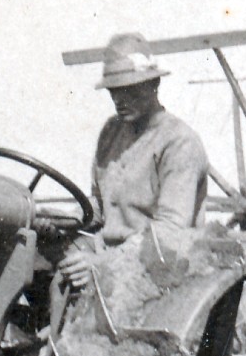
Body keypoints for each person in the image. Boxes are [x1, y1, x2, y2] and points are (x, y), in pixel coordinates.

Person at [58, 33, 209, 290]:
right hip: (109, 253)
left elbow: (170, 231)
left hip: (160, 264)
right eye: (114, 90)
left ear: (154, 84)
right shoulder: (111, 132)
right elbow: (101, 205)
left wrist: (102, 262)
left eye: (130, 89)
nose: (119, 99)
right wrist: (60, 220)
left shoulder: (179, 142)